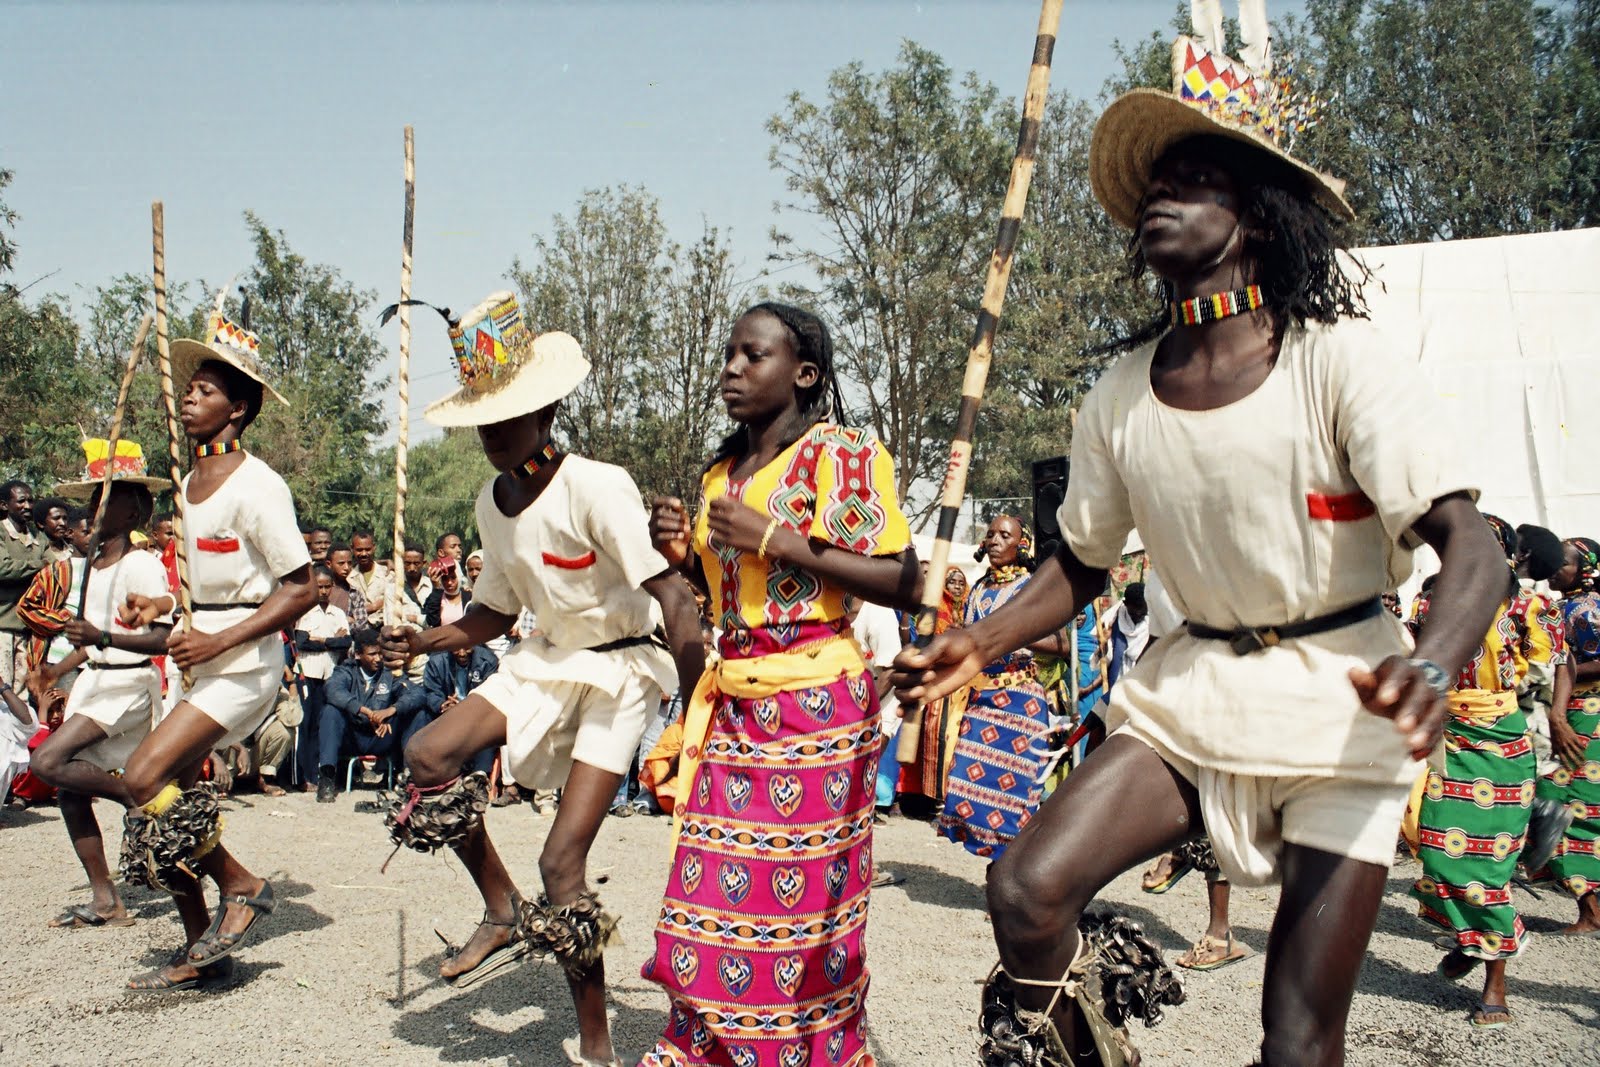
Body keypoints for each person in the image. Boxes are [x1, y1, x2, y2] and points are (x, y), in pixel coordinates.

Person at [890, 16, 1508, 1063]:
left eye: (1198, 177)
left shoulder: (1338, 363)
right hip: (1185, 696)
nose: (1160, 197)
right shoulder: (1122, 394)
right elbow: (1083, 560)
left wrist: (1434, 663)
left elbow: (1472, 544)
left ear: (1257, 215)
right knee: (1026, 888)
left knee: (1297, 1033)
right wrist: (983, 639)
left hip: (1340, 703)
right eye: (1156, 182)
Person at [378, 291, 703, 1067]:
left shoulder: (597, 484)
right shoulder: (492, 502)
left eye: (509, 413)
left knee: (562, 861)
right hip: (543, 660)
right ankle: (499, 906)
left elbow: (671, 594)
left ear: (548, 409)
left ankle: (596, 1046)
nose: (492, 431)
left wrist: (702, 701)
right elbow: (493, 613)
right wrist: (422, 635)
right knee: (428, 755)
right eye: (481, 417)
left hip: (623, 670)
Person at [642, 300, 918, 1067]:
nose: (731, 368)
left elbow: (902, 577)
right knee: (702, 907)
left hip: (817, 711)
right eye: (729, 353)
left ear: (803, 373)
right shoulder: (719, 473)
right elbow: (725, 588)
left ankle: (810, 1053)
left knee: (803, 924)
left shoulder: (841, 456)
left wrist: (772, 535)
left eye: (751, 355)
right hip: (731, 708)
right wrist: (682, 554)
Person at [112, 289, 316, 992]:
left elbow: (300, 587)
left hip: (248, 663)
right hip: (203, 658)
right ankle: (203, 947)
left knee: (141, 774)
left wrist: (218, 637)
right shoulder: (190, 480)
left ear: (240, 409)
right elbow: (207, 580)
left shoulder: (260, 487)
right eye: (190, 388)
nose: (190, 400)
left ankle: (241, 880)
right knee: (158, 795)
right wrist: (161, 603)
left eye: (206, 390)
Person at [1411, 515, 1563, 1029]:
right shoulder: (1429, 601)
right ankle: (1471, 940)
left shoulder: (1529, 607)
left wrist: (1547, 739)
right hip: (1448, 736)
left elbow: (1543, 674)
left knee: (1490, 869)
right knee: (1435, 849)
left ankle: (1494, 983)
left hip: (1501, 743)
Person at [27, 446, 174, 931]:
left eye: (106, 499)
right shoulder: (91, 565)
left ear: (135, 511)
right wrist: (54, 671)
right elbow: (88, 641)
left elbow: (162, 638)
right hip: (95, 680)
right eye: (94, 499)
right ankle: (106, 901)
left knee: (47, 762)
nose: (94, 508)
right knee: (69, 789)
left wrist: (104, 638)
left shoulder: (142, 565)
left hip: (129, 683)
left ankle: (134, 796)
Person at [937, 516, 1061, 860]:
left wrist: (1013, 633)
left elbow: (1062, 643)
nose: (994, 540)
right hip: (980, 700)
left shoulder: (1032, 589)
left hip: (1020, 704)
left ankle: (1007, 873)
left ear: (1021, 544)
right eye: (990, 533)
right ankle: (999, 864)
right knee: (966, 786)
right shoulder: (977, 588)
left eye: (1004, 535)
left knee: (1015, 798)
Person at [1541, 535, 1600, 934]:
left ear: (1585, 568)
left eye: (1561, 561)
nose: (1551, 566)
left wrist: (1558, 673)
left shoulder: (1588, 609)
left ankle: (1591, 912)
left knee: (1564, 808)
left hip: (1584, 716)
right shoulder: (1563, 606)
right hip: (1568, 713)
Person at [897, 564, 970, 819]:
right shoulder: (936, 611)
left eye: (961, 582)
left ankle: (952, 799)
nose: (958, 586)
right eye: (952, 581)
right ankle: (933, 800)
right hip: (940, 686)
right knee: (937, 740)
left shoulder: (968, 610)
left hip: (965, 688)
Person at [316, 628, 407, 801]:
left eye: (380, 653)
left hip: (379, 737)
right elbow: (333, 690)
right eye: (372, 654)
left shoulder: (389, 673)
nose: (378, 659)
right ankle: (327, 777)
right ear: (357, 655)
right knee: (330, 711)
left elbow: (414, 694)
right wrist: (366, 712)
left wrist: (388, 712)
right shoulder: (345, 670)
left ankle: (402, 775)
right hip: (352, 737)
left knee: (408, 710)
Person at [396, 642, 499, 777]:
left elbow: (491, 694)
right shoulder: (437, 661)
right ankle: (411, 769)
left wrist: (464, 706)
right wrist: (442, 704)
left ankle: (479, 776)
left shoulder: (488, 660)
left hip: (475, 714)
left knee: (489, 726)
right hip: (444, 713)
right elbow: (430, 691)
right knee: (421, 715)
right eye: (457, 648)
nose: (462, 653)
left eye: (467, 647)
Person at [294, 565, 351, 789]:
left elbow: (346, 642)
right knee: (305, 724)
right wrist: (331, 640)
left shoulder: (337, 613)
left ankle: (320, 775)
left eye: (328, 587)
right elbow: (301, 642)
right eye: (320, 587)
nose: (324, 591)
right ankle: (304, 776)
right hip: (308, 674)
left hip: (330, 675)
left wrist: (321, 640)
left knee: (323, 724)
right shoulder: (304, 613)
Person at [1, 478, 49, 690]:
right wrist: (39, 566)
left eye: (30, 501)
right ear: (4, 505)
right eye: (21, 501)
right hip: (3, 625)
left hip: (29, 627)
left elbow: (55, 569)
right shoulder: (1, 532)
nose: (28, 506)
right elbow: (3, 568)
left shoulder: (39, 536)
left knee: (21, 691)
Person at [347, 530, 389, 619]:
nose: (363, 554)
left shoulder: (387, 574)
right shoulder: (348, 578)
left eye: (367, 549)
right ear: (352, 549)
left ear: (374, 547)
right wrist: (374, 607)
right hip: (359, 627)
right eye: (359, 550)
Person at [326, 544, 369, 629]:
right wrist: (345, 620)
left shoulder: (354, 593)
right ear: (329, 564)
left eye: (349, 563)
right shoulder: (319, 590)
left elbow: (361, 625)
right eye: (341, 563)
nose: (346, 567)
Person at [423, 559, 471, 628]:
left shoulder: (468, 596)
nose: (449, 582)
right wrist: (436, 589)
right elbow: (432, 621)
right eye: (445, 578)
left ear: (459, 576)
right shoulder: (435, 598)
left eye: (453, 578)